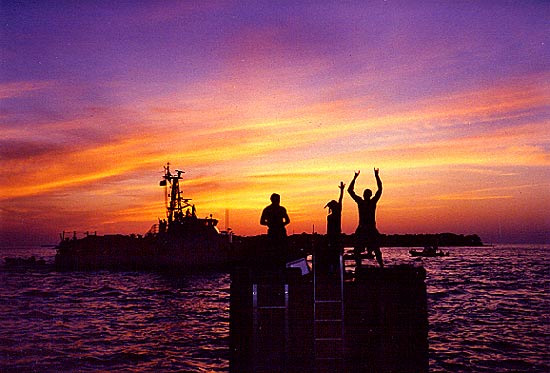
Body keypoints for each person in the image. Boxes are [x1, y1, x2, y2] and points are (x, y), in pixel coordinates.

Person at [347, 168, 384, 267]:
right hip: (363, 229)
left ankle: (381, 266)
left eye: (366, 194)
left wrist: (376, 176)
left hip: (369, 229)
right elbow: (350, 191)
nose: (365, 195)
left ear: (368, 195)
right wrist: (355, 177)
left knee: (375, 250)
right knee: (358, 250)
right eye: (365, 194)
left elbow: (380, 189)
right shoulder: (361, 202)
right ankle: (360, 266)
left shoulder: (371, 202)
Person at [260, 193, 290, 266]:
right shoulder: (268, 209)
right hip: (274, 232)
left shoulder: (280, 209)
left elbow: (287, 220)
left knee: (281, 249)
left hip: (279, 231)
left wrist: (280, 224)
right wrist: (270, 224)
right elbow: (261, 222)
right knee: (274, 250)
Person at [322, 181, 345, 273]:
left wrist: (342, 190)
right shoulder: (330, 216)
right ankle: (334, 270)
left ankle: (338, 270)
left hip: (336, 236)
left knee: (337, 254)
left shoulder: (338, 213)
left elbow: (340, 199)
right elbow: (328, 228)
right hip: (331, 237)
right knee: (332, 254)